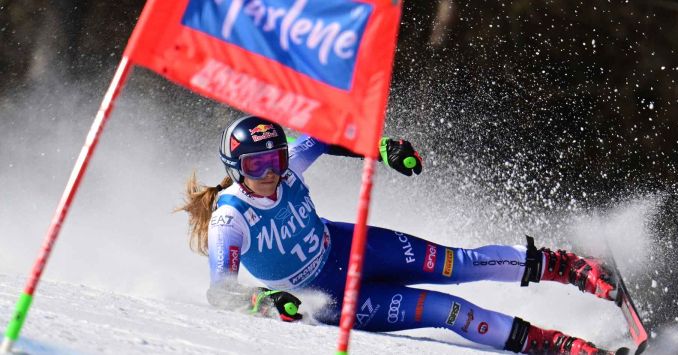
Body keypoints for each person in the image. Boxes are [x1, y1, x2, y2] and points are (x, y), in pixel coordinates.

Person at [178, 115, 620, 355]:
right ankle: (552, 346)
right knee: (447, 310)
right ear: (237, 171)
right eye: (258, 166)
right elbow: (220, 293)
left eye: (275, 159)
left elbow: (326, 135)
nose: (272, 173)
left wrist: (382, 148)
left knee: (457, 263)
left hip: (351, 247)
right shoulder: (229, 220)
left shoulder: (288, 166)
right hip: (333, 296)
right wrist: (264, 301)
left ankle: (565, 267)